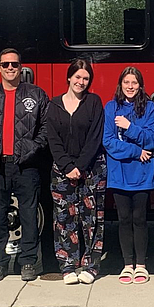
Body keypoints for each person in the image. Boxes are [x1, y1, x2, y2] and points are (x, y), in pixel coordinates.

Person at [0, 48, 49, 283]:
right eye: (5, 64)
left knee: (29, 215)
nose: (10, 68)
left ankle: (28, 261)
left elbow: (47, 127)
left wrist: (32, 148)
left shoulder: (36, 95)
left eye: (14, 65)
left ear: (21, 67)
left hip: (26, 166)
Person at [44, 59, 106, 284]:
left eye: (86, 78)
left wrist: (80, 166)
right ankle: (68, 265)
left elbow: (95, 137)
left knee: (92, 219)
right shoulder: (54, 105)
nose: (81, 82)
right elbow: (53, 139)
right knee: (64, 218)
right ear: (69, 77)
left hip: (92, 169)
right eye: (77, 77)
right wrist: (67, 167)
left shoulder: (94, 102)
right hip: (62, 171)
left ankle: (91, 266)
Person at [103, 66, 154, 284]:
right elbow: (108, 141)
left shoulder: (150, 108)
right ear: (120, 84)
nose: (130, 87)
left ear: (140, 85)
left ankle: (142, 265)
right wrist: (136, 151)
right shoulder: (110, 107)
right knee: (123, 219)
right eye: (126, 82)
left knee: (140, 218)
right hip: (120, 173)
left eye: (134, 83)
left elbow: (152, 140)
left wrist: (129, 127)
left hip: (143, 173)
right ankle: (127, 264)